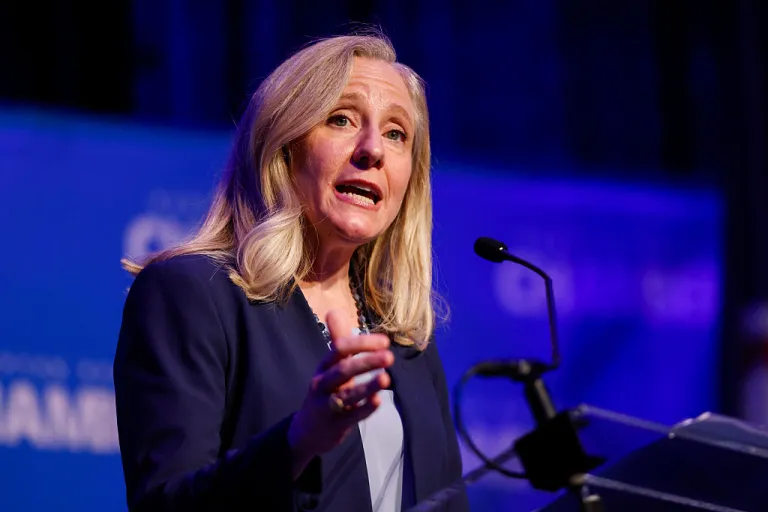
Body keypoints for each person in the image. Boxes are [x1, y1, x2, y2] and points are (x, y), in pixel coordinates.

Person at [113, 31, 469, 512]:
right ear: (282, 146)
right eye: (341, 119)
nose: (373, 150)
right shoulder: (191, 294)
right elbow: (164, 505)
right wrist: (300, 440)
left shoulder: (403, 337)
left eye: (396, 133)